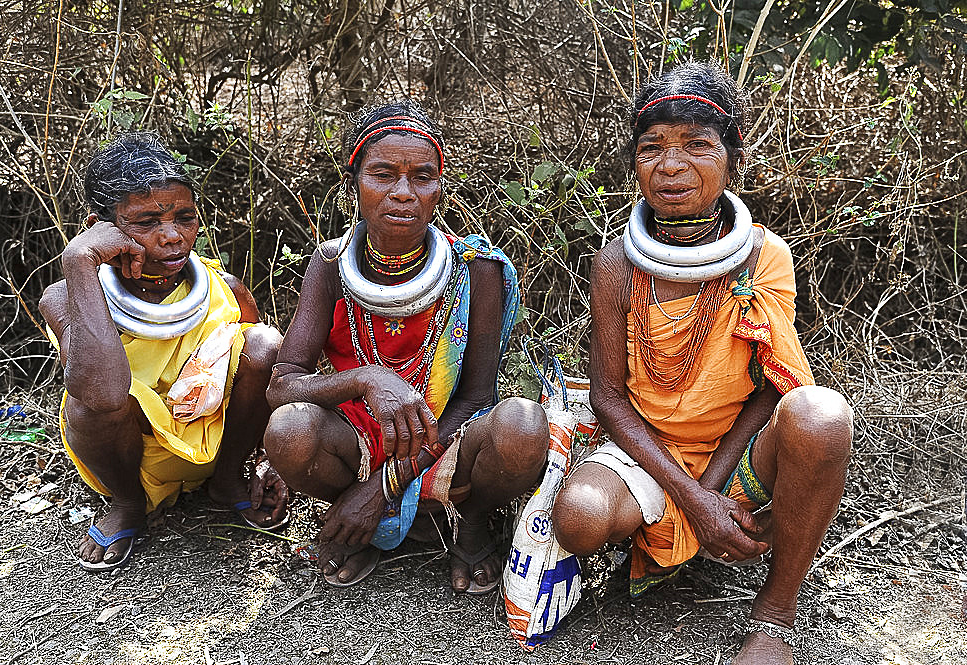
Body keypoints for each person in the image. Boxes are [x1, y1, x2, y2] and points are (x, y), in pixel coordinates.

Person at [550, 62, 853, 664]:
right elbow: (608, 397)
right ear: (634, 163)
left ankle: (776, 615)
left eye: (698, 146)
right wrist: (693, 501)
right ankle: (646, 540)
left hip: (735, 448)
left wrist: (710, 490)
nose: (671, 166)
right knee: (579, 518)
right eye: (652, 148)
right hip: (646, 444)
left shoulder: (763, 255)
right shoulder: (617, 263)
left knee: (819, 415)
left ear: (731, 159)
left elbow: (773, 388)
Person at [264, 101, 549, 593]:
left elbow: (478, 398)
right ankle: (360, 518)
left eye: (422, 176)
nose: (403, 193)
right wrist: (366, 378)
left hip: (444, 437)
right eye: (383, 174)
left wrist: (385, 484)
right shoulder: (331, 265)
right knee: (289, 430)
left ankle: (469, 521)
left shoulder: (475, 270)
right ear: (355, 181)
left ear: (440, 185)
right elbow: (282, 387)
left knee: (522, 426)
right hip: (353, 436)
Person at [40, 133, 286, 572]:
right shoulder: (66, 297)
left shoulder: (222, 289)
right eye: (147, 222)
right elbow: (99, 392)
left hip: (215, 451)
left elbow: (268, 376)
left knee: (265, 344)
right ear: (102, 227)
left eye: (184, 218)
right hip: (128, 460)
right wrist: (80, 260)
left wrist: (267, 459)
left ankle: (227, 482)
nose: (172, 236)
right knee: (89, 402)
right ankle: (128, 504)